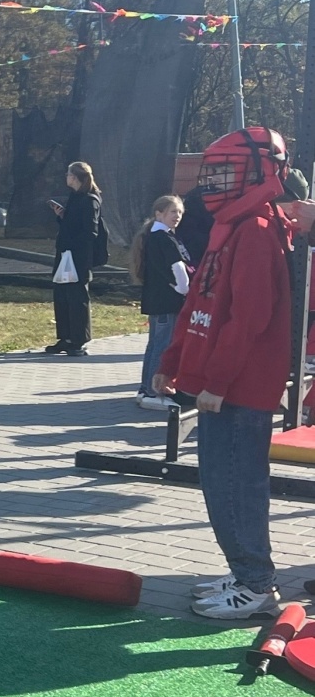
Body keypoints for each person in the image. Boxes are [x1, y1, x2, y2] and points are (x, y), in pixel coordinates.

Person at [153, 127, 292, 620]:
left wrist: (217, 382)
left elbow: (249, 317)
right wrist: (174, 363)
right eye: (210, 173)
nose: (213, 183)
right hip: (218, 383)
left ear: (257, 172)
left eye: (224, 172)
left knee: (237, 483)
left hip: (240, 388)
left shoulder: (255, 229)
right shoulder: (228, 227)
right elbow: (200, 304)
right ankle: (243, 570)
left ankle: (256, 583)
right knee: (219, 480)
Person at [129, 195, 191, 412]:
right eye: (173, 212)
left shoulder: (157, 236)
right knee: (162, 346)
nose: (177, 216)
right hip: (167, 301)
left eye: (180, 213)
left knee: (155, 344)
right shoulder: (163, 238)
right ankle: (153, 392)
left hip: (158, 301)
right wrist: (185, 290)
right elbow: (178, 270)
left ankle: (146, 388)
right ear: (159, 213)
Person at [44, 161, 102, 356]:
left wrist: (73, 245)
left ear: (76, 177)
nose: (66, 176)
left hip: (78, 257)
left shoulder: (89, 200)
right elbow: (71, 224)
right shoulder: (74, 197)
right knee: (61, 295)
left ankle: (78, 340)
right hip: (64, 253)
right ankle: (65, 337)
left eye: (69, 174)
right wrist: (61, 216)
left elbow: (90, 232)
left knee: (77, 297)